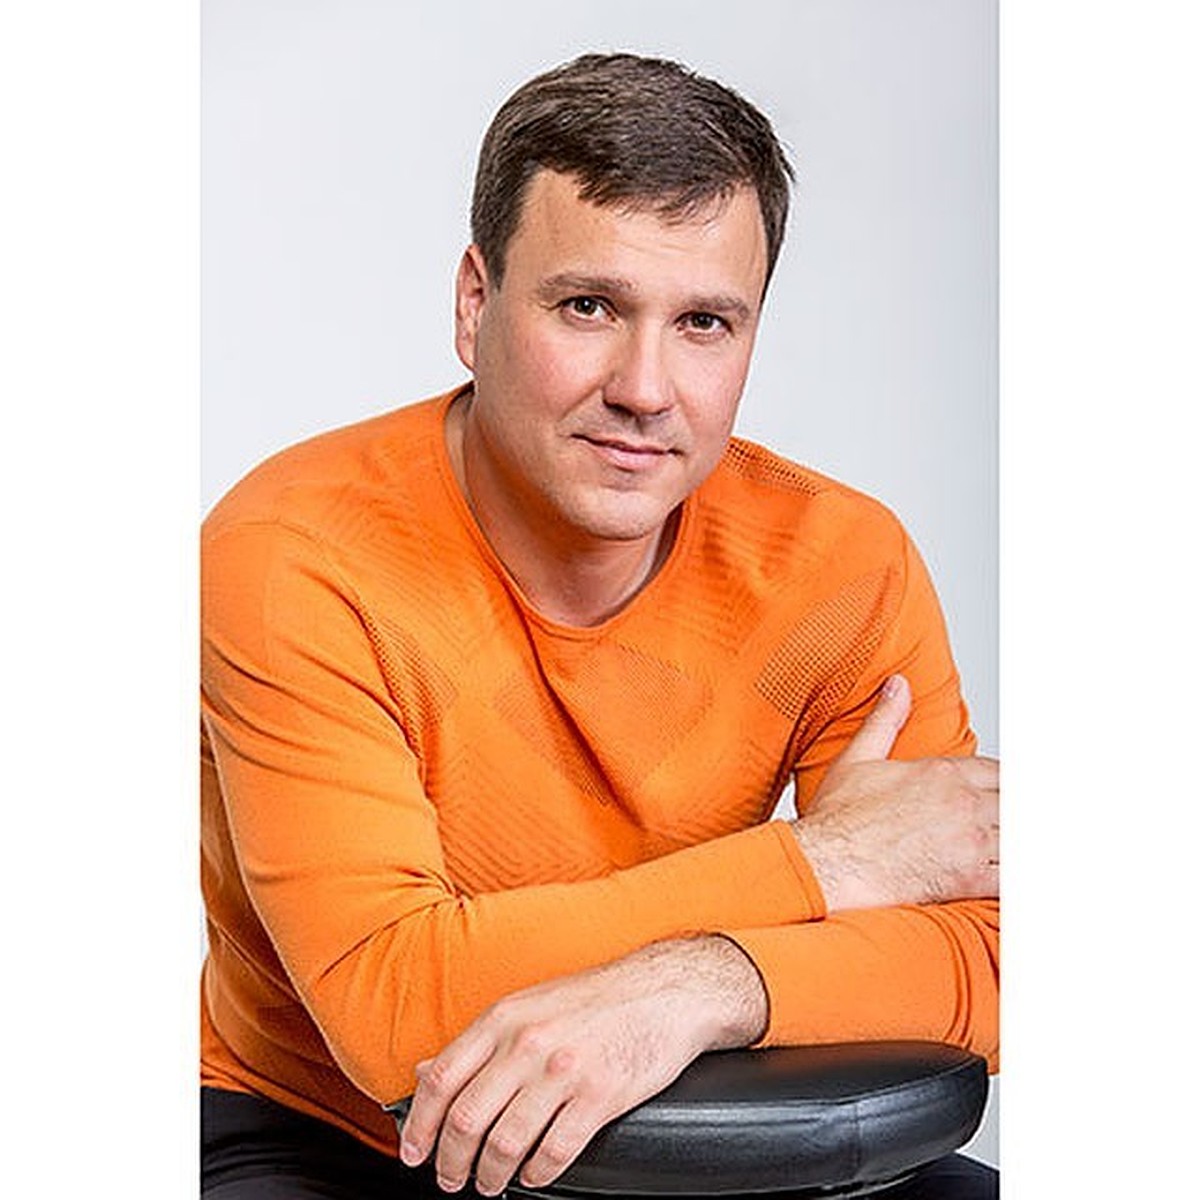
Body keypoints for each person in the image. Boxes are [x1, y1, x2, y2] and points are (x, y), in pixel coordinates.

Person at [200, 53, 999, 1199]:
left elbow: (991, 957)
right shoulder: (296, 554)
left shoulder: (839, 564)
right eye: (590, 307)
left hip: (679, 1098)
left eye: (705, 322)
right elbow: (395, 1009)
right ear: (475, 304)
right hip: (342, 1137)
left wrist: (704, 986)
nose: (645, 388)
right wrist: (828, 863)